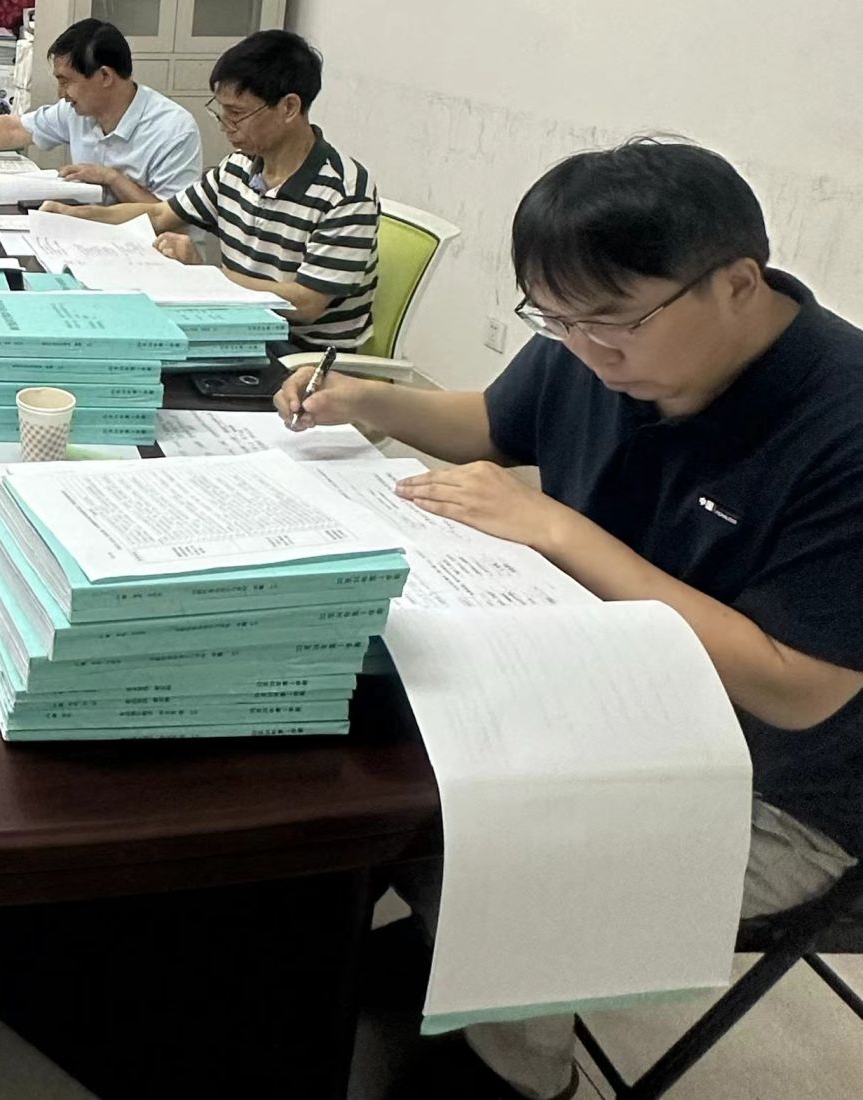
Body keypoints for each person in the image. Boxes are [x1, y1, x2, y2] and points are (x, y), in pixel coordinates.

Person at [281, 139, 863, 1100]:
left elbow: (797, 689)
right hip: (594, 685)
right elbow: (492, 425)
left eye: (613, 323)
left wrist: (558, 528)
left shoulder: (840, 421)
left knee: (488, 848)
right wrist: (362, 400)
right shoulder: (592, 342)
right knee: (348, 757)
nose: (588, 350)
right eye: (555, 321)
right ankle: (409, 966)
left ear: (736, 283)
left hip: (771, 789)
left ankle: (521, 1079)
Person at [55, 29, 379, 350]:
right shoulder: (237, 168)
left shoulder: (345, 193)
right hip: (239, 330)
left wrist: (205, 276)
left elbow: (306, 303)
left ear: (289, 108)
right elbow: (158, 214)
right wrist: (70, 217)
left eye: (237, 114)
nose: (225, 126)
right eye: (221, 111)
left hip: (302, 355)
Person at [0, 18, 203, 203]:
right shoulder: (77, 111)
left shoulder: (173, 129)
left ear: (104, 76)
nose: (61, 94)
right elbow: (13, 129)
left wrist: (112, 178)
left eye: (66, 82)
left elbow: (172, 217)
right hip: (88, 235)